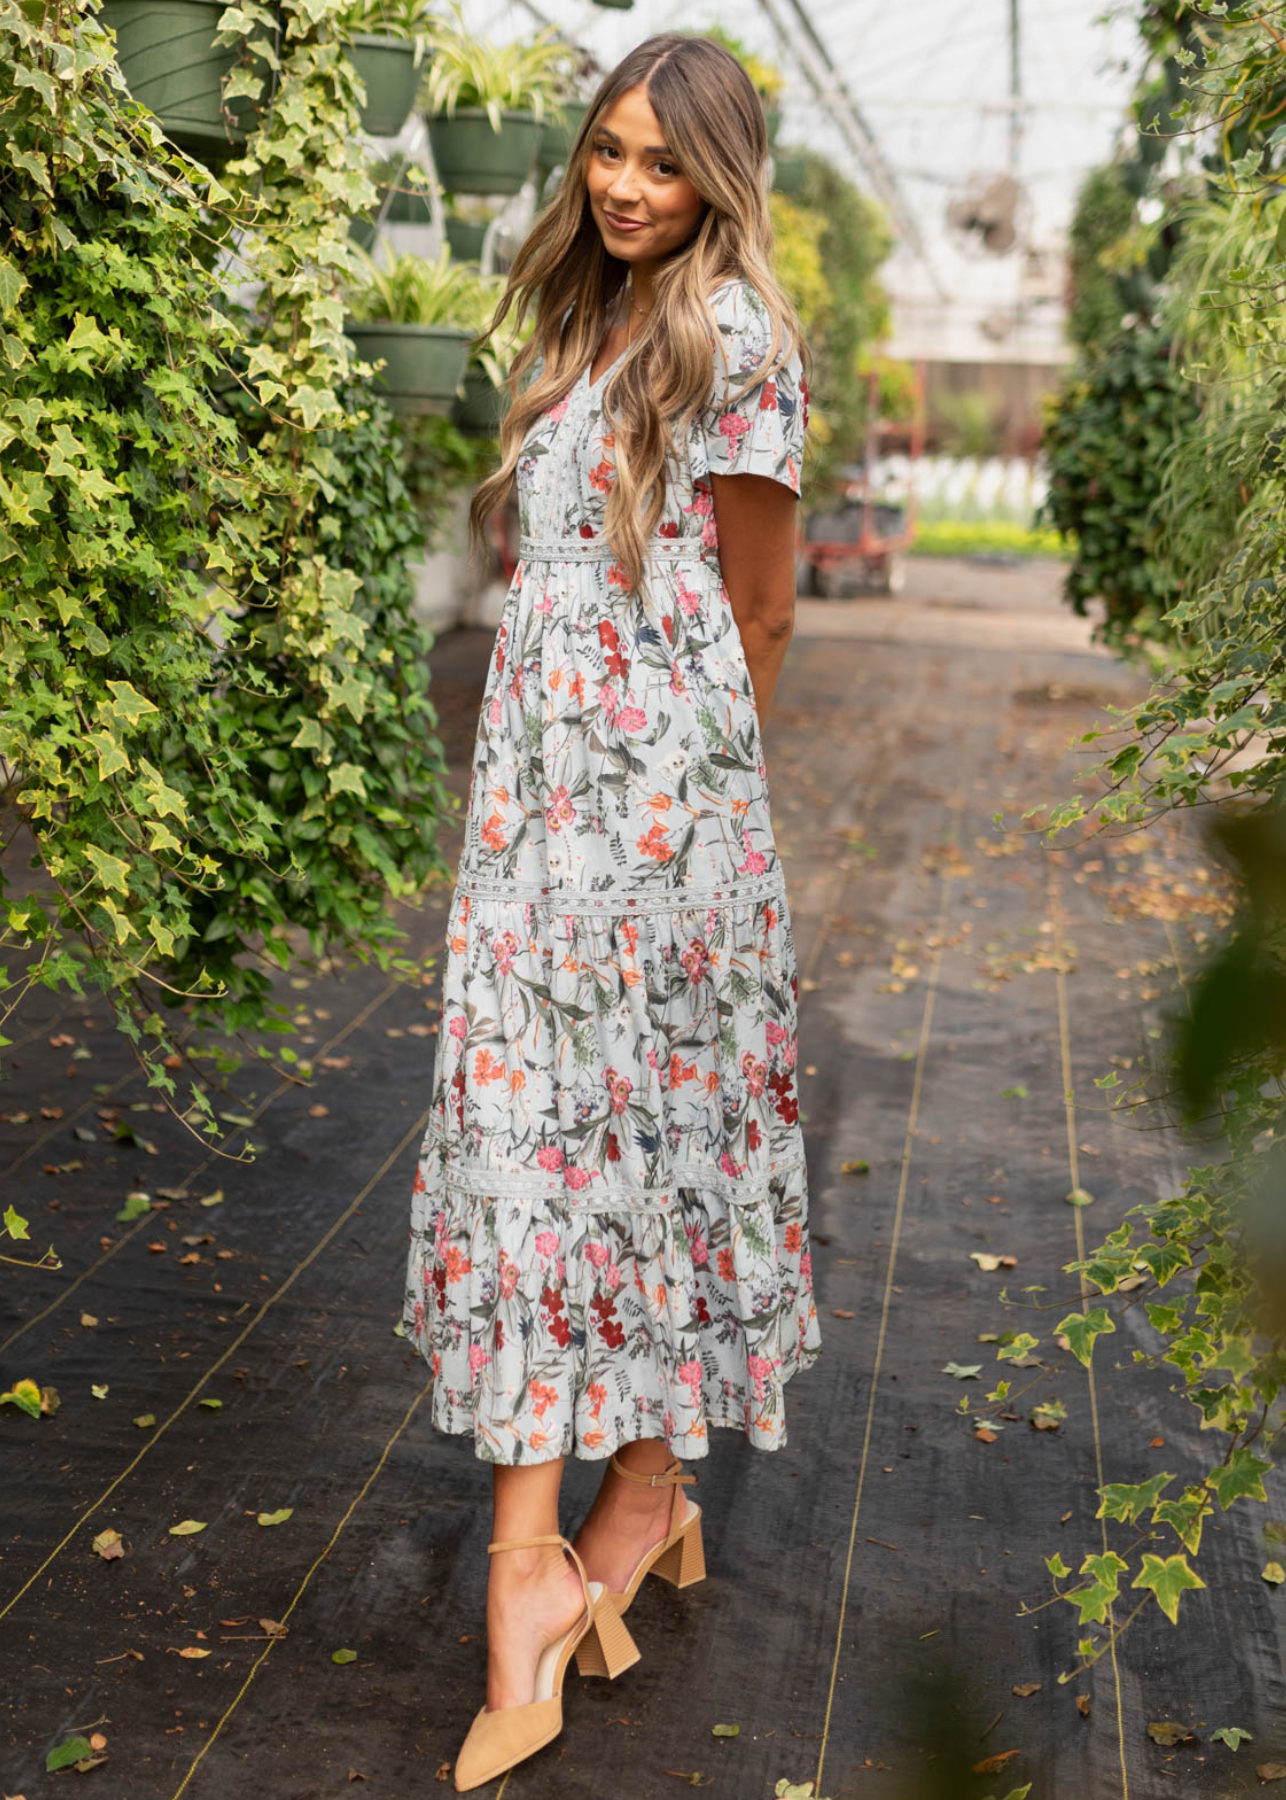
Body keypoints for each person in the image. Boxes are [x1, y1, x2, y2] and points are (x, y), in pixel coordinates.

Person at [401, 29, 823, 1791]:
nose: (625, 184)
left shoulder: (736, 338)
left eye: (660, 162)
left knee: (636, 1131)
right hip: (532, 814)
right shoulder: (583, 324)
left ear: (716, 174)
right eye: (607, 152)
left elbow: (763, 609)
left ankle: (586, 1539)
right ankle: (628, 1502)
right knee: (539, 1142)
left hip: (658, 828)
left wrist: (688, 837)